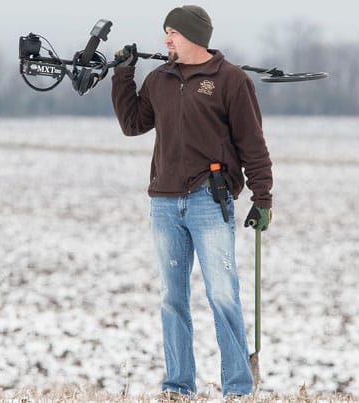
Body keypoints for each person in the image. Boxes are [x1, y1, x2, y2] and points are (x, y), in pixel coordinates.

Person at [110, 4, 273, 398]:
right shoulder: (159, 79)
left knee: (222, 295)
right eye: (165, 32)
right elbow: (133, 125)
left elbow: (253, 145)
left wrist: (262, 197)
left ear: (194, 37)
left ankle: (237, 388)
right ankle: (177, 387)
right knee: (172, 299)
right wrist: (123, 74)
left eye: (173, 33)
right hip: (164, 202)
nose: (166, 39)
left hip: (209, 201)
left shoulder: (230, 81)